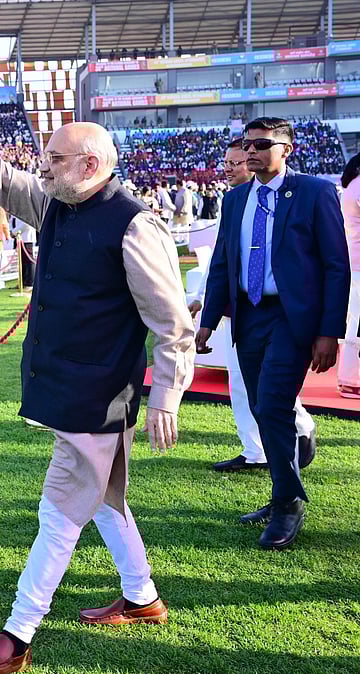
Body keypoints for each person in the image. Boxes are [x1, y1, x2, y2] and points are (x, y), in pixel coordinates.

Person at [0, 66, 194, 673]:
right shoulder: (58, 202)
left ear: (89, 166)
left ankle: (17, 637)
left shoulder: (135, 225)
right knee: (104, 501)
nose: (40, 171)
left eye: (52, 163)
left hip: (98, 394)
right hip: (65, 385)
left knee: (59, 510)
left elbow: (171, 324)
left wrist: (167, 396)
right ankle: (142, 596)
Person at [197, 117, 349, 551]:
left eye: (262, 144)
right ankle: (286, 486)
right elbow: (224, 263)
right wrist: (208, 321)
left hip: (292, 317)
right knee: (265, 410)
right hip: (249, 316)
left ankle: (287, 502)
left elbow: (336, 266)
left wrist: (328, 331)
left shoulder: (315, 193)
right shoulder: (236, 198)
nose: (251, 152)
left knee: (272, 403)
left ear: (288, 148)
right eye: (247, 144)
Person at [189, 138, 317, 474]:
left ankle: (299, 429)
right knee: (242, 384)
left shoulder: (289, 199)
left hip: (278, 314)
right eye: (228, 163)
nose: (230, 168)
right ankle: (254, 449)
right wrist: (205, 307)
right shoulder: (233, 203)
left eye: (236, 162)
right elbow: (222, 260)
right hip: (239, 310)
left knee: (269, 385)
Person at [337, 152, 360, 399]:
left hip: (353, 260)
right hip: (358, 263)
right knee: (356, 322)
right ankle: (351, 380)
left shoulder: (352, 186)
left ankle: (351, 379)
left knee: (355, 319)